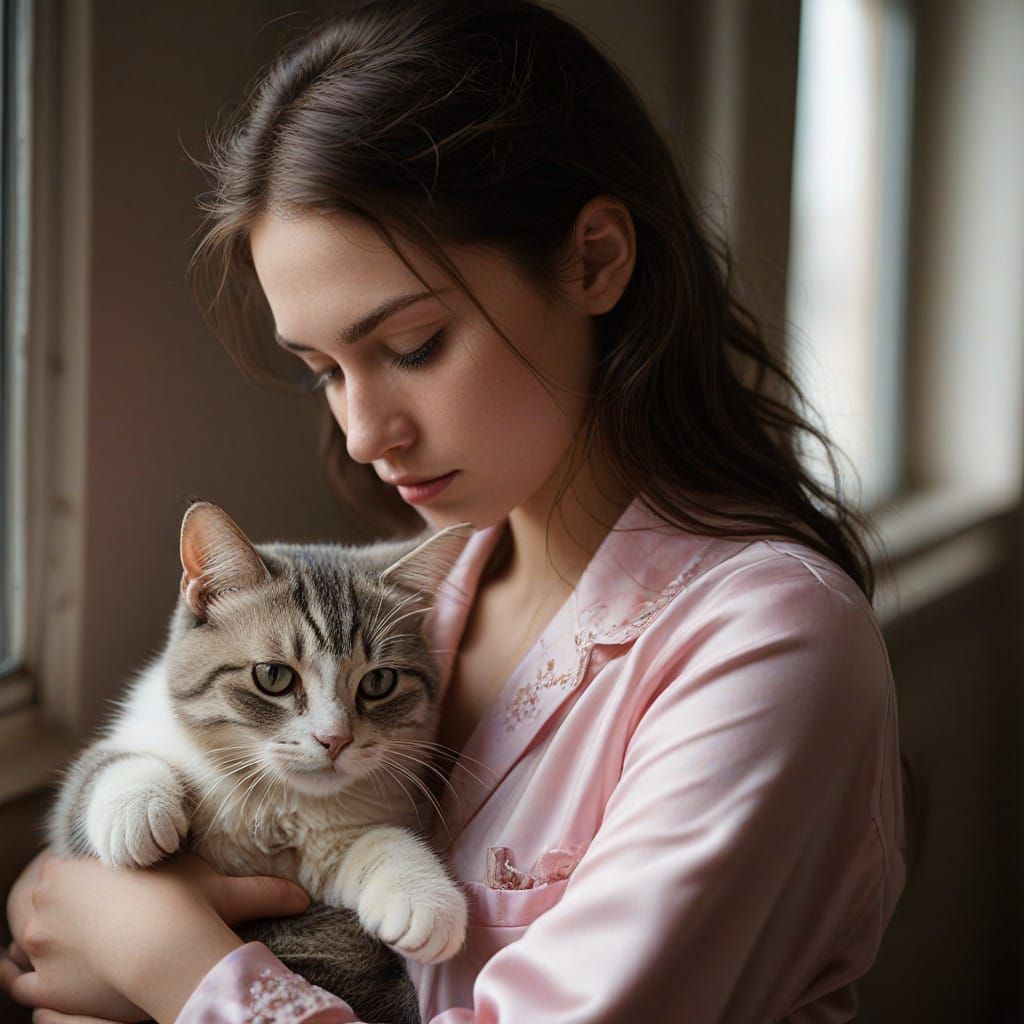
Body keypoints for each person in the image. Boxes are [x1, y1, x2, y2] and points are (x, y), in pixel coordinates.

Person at [0, 0, 906, 1021]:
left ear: (594, 260)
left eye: (412, 346)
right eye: (322, 370)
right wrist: (89, 904)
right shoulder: (412, 593)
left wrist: (164, 959)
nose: (361, 434)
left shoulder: (768, 645)